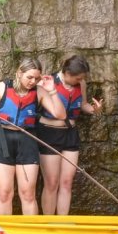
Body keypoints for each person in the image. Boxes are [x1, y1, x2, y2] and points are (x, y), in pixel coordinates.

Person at [0, 57, 65, 215]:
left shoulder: (40, 92)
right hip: (3, 141)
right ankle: (6, 228)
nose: (33, 81)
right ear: (19, 73)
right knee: (5, 193)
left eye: (36, 78)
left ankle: (30, 229)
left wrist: (52, 90)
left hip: (27, 141)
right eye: (29, 77)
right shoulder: (2, 87)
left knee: (28, 194)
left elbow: (61, 115)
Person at [35, 54, 104, 215]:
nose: (80, 80)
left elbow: (83, 104)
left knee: (66, 182)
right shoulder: (47, 83)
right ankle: (49, 222)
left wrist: (95, 110)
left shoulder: (81, 84)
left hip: (70, 134)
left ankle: (62, 221)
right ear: (66, 73)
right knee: (51, 183)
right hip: (49, 133)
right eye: (77, 78)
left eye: (82, 78)